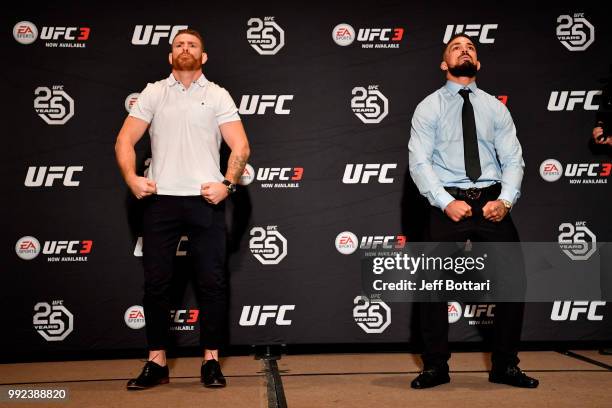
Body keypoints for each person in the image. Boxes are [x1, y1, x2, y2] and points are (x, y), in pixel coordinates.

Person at [115, 28, 250, 390]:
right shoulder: (154, 92)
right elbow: (125, 139)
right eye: (178, 45)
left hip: (204, 201)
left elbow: (240, 147)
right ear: (170, 55)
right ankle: (157, 363)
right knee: (156, 285)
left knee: (212, 284)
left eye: (192, 45)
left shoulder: (218, 94)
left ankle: (211, 362)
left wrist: (228, 185)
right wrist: (131, 177)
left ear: (203, 57)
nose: (185, 49)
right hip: (161, 201)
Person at [408, 33, 538, 389]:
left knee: (513, 283)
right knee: (432, 285)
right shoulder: (429, 107)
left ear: (477, 63)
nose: (464, 51)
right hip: (446, 202)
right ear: (443, 64)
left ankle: (505, 366)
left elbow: (513, 159)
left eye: (470, 49)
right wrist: (445, 201)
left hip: (492, 202)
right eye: (455, 48)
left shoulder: (496, 108)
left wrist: (506, 200)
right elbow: (419, 162)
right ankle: (435, 367)